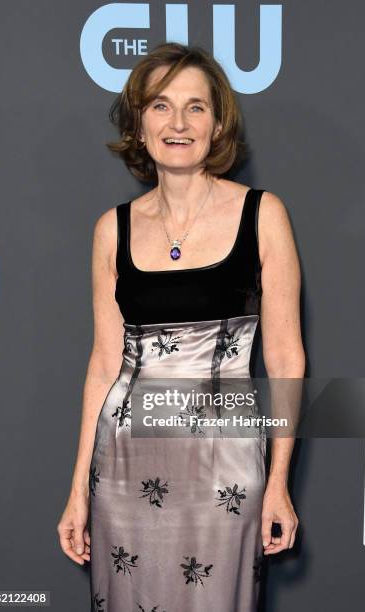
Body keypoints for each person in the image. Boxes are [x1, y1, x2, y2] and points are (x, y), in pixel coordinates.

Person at [57, 42, 305, 612]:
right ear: (139, 123)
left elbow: (287, 362)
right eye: (161, 105)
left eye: (196, 107)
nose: (178, 123)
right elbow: (102, 365)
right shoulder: (111, 230)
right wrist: (78, 494)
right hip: (122, 469)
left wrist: (278, 481)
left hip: (226, 466)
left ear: (217, 124)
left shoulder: (262, 214)